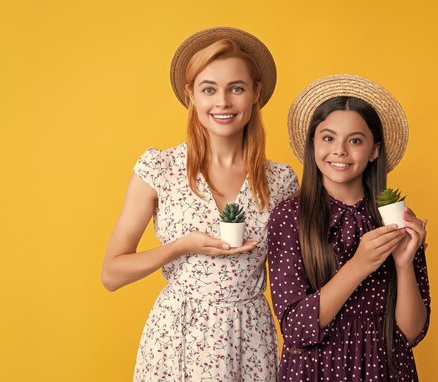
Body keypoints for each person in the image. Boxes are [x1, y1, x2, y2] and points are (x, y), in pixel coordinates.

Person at [102, 27, 298, 381]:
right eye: (209, 89)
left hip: (250, 339)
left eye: (236, 88)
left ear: (256, 92)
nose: (222, 103)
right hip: (177, 335)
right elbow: (112, 274)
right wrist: (182, 247)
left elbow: (297, 270)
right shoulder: (158, 169)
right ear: (190, 94)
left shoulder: (281, 180)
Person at [268, 74, 431, 381]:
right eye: (328, 138)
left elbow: (411, 333)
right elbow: (296, 329)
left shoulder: (394, 221)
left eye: (355, 140)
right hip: (313, 371)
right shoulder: (290, 217)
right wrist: (358, 265)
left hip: (384, 370)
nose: (340, 150)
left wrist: (405, 263)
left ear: (374, 150)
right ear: (313, 145)